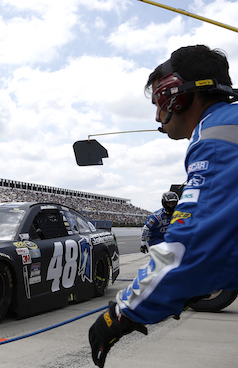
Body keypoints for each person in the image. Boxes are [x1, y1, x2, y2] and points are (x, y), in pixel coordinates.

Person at [88, 44, 238, 367]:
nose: (157, 115)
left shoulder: (215, 136)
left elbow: (189, 248)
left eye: (159, 100)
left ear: (178, 96)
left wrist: (122, 313)